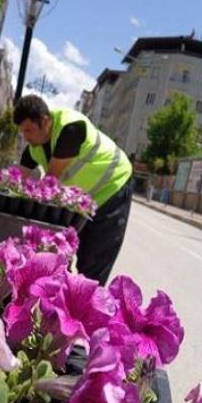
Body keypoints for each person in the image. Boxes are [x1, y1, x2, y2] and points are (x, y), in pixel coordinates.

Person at [13, 95, 134, 286]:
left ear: (45, 121)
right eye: (22, 132)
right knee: (72, 255)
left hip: (113, 188)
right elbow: (16, 182)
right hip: (86, 203)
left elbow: (51, 181)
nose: (26, 137)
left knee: (93, 263)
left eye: (29, 130)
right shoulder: (33, 148)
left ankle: (88, 310)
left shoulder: (70, 127)